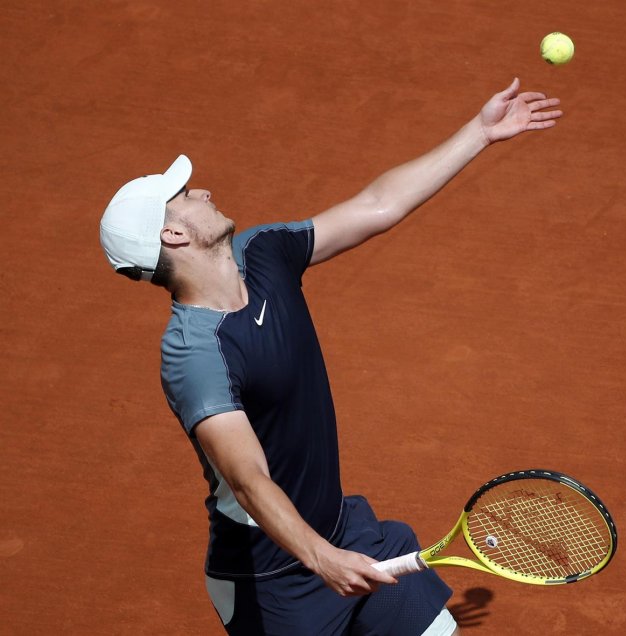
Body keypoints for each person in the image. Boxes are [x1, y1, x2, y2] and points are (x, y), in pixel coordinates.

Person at [99, 78, 562, 635]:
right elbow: (249, 480)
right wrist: (321, 559)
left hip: (343, 530)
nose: (202, 192)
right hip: (272, 582)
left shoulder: (263, 251)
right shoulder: (195, 354)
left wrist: (479, 133)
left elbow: (377, 204)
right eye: (185, 197)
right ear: (173, 233)